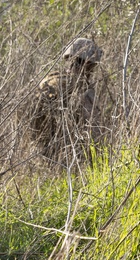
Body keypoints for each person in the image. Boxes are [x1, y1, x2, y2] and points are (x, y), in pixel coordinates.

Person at [29, 38, 106, 168]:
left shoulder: (48, 81)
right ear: (89, 65)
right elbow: (94, 132)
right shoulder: (81, 89)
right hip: (70, 159)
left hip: (40, 154)